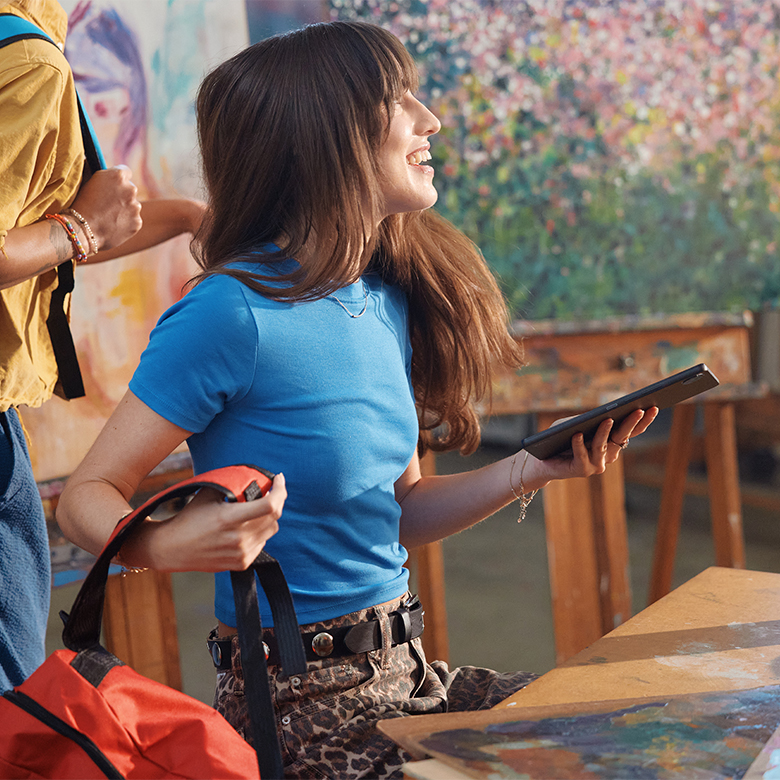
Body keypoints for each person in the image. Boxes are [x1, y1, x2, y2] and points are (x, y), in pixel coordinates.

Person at [56, 20, 657, 779]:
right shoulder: (230, 313)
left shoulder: (383, 299)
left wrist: (533, 468)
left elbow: (401, 511)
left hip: (407, 676)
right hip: (300, 707)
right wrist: (162, 544)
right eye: (396, 99)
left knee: (623, 730)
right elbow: (84, 496)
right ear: (323, 137)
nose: (428, 119)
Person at [0, 0, 203, 692]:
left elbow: (31, 236)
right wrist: (79, 229)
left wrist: (184, 218)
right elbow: (52, 236)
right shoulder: (25, 60)